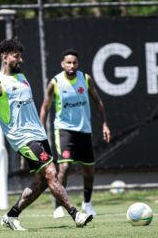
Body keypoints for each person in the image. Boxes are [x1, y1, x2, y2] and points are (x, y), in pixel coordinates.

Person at [0, 39, 93, 231]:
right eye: (16, 56)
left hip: (38, 135)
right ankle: (75, 213)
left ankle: (12, 215)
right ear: (4, 57)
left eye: (21, 56)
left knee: (42, 181)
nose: (21, 59)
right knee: (51, 172)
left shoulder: (22, 77)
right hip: (23, 138)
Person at [40, 49, 111, 219]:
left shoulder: (85, 79)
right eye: (68, 62)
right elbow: (45, 107)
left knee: (89, 169)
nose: (71, 65)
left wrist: (105, 124)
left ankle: (87, 203)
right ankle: (58, 206)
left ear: (77, 64)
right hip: (64, 130)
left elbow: (97, 100)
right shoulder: (55, 82)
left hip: (84, 130)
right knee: (64, 167)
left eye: (74, 62)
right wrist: (40, 129)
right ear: (62, 64)